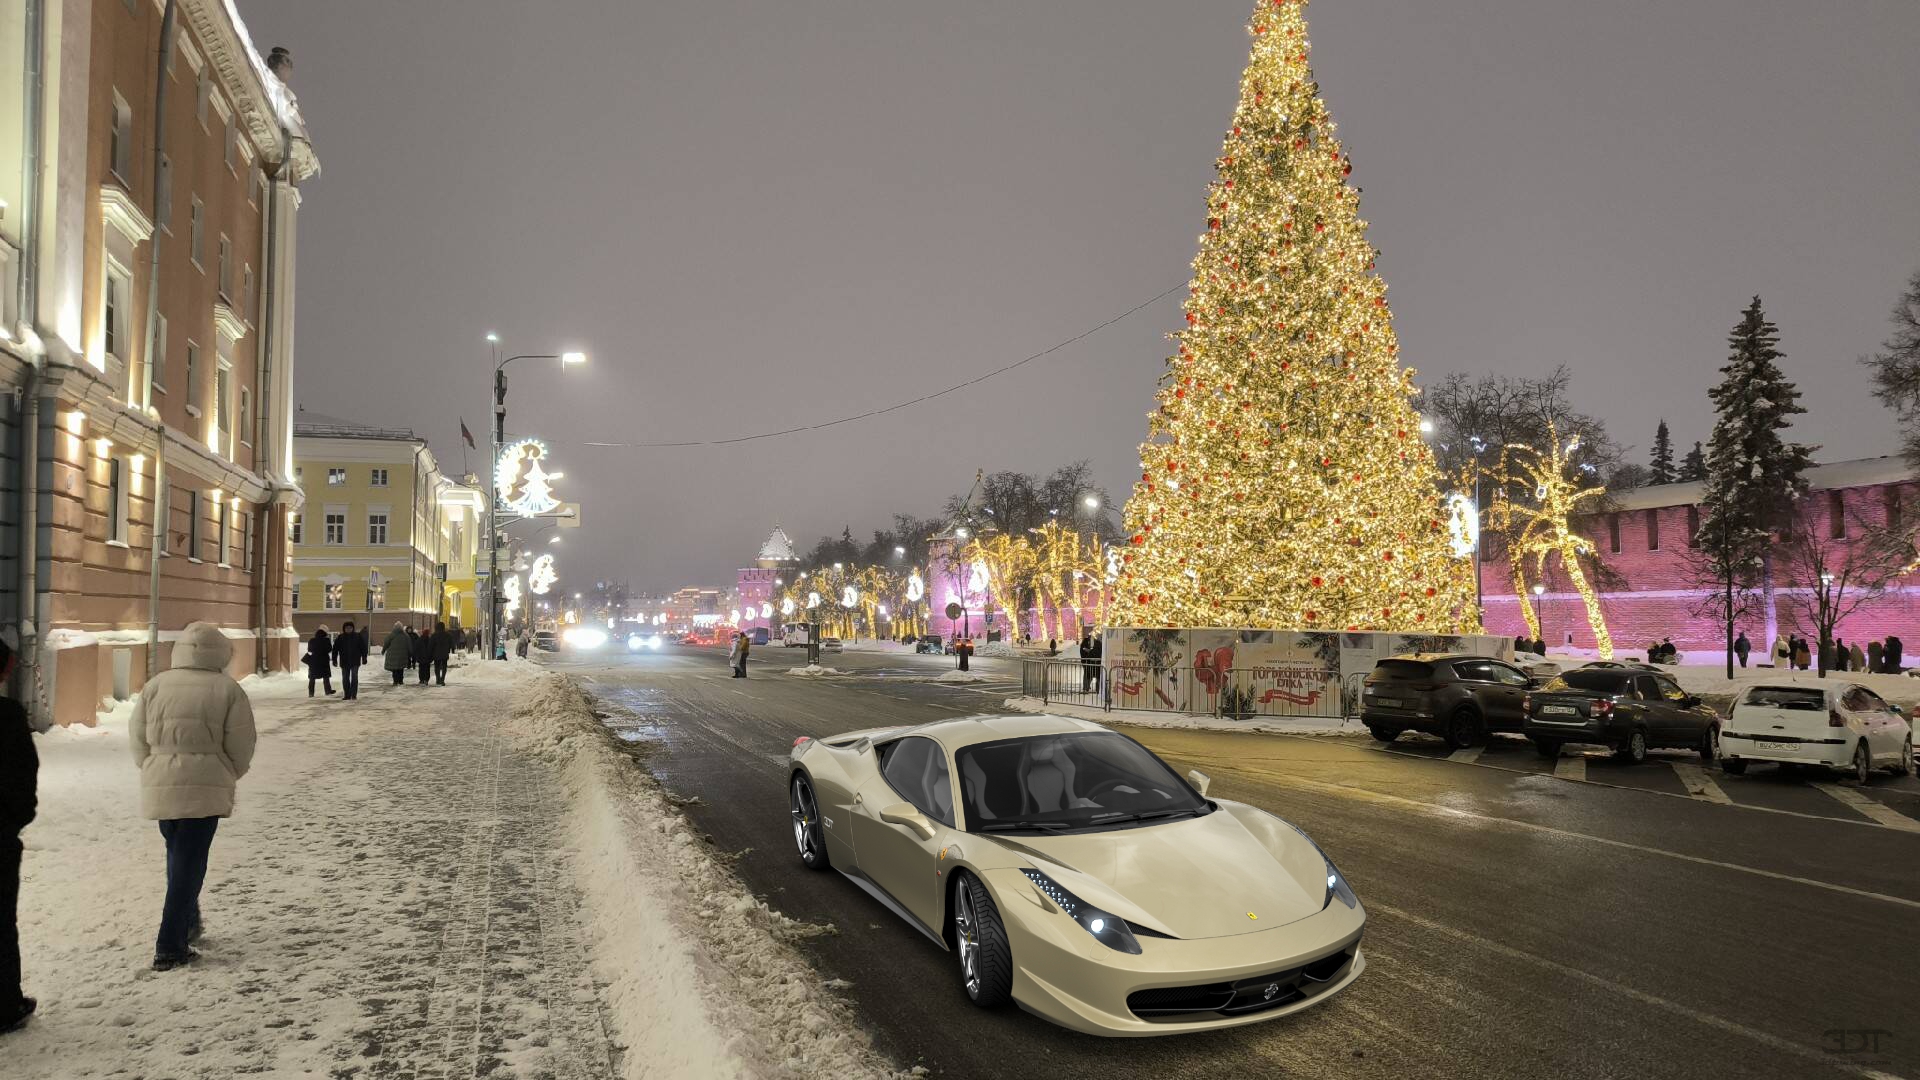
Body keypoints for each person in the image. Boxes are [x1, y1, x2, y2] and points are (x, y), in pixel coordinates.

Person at [129, 622, 257, 971]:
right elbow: (241, 744)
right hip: (205, 785)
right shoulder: (227, 689)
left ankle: (187, 922)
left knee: (177, 856)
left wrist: (153, 766)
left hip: (161, 781)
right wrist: (227, 771)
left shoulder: (156, 686)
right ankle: (170, 945)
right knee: (189, 862)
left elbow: (138, 736)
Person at [1, 638, 40, 1032]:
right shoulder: (8, 716)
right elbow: (22, 776)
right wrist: (14, 820)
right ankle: (4, 1004)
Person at [333, 620, 366, 701]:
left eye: (350, 628)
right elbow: (335, 649)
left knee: (354, 678)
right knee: (345, 678)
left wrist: (364, 658)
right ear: (344, 629)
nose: (348, 629)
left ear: (353, 628)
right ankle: (347, 695)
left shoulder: (357, 636)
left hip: (355, 661)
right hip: (344, 662)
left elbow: (363, 648)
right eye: (347, 628)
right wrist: (334, 659)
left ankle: (354, 694)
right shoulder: (340, 638)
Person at [302, 626, 334, 697]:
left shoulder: (312, 640)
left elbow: (309, 650)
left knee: (312, 678)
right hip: (324, 661)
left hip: (314, 661)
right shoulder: (326, 640)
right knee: (325, 677)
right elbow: (329, 649)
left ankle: (311, 693)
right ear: (325, 633)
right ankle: (328, 691)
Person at [383, 622, 412, 686]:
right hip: (403, 655)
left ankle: (395, 681)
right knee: (401, 669)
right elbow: (409, 645)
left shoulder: (391, 635)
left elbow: (386, 643)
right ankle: (400, 681)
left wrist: (383, 650)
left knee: (395, 669)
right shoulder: (405, 635)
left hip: (392, 655)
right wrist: (410, 653)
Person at [429, 622, 453, 686]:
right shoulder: (448, 635)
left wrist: (430, 652)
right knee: (444, 667)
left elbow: (431, 645)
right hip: (445, 654)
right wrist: (448, 649)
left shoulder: (434, 635)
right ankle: (442, 680)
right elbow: (451, 644)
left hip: (436, 654)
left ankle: (438, 679)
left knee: (437, 667)